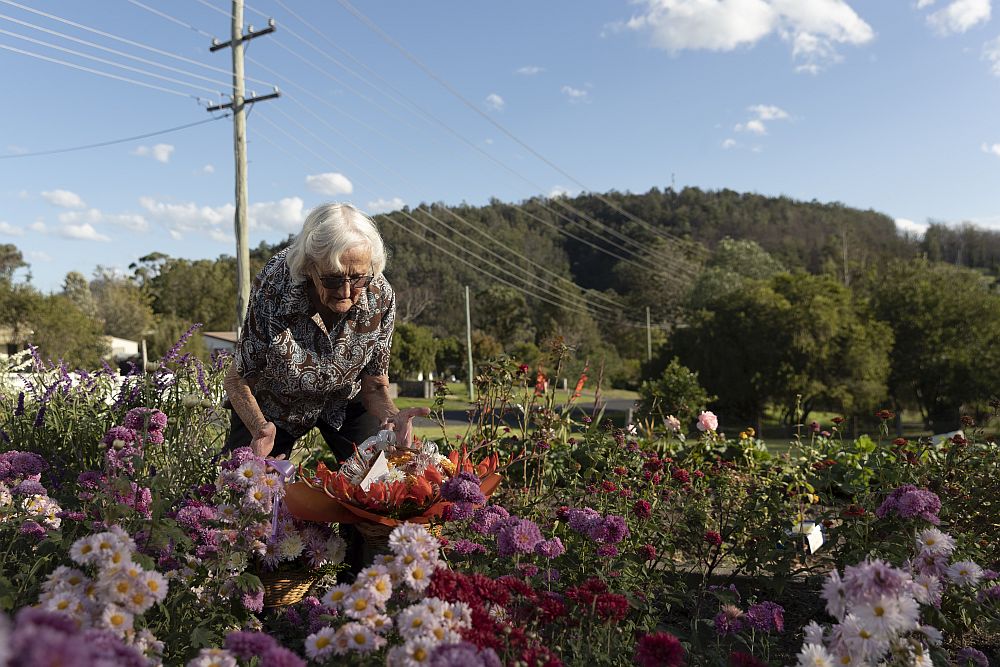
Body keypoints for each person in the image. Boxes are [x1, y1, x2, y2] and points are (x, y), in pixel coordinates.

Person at [222, 202, 428, 462]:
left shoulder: (380, 296)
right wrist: (259, 427)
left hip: (345, 400)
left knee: (378, 481)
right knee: (247, 485)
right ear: (309, 266)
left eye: (357, 279)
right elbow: (238, 379)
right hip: (274, 404)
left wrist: (390, 415)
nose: (344, 292)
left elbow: (374, 384)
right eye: (332, 278)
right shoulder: (274, 286)